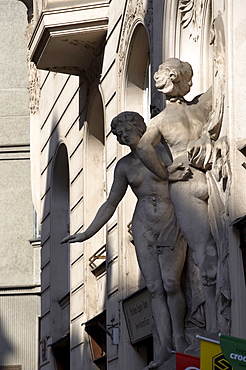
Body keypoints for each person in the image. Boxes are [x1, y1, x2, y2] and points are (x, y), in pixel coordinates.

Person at [61, 111, 190, 369]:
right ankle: (164, 346)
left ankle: (179, 338)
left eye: (126, 131)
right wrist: (87, 233)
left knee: (171, 283)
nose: (123, 136)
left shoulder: (162, 149)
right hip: (143, 224)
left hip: (170, 218)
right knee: (154, 288)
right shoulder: (124, 166)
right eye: (119, 135)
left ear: (139, 128)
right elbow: (111, 204)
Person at [136, 58, 219, 333]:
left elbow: (143, 147)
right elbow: (222, 82)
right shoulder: (200, 106)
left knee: (205, 252)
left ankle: (215, 324)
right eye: (188, 77)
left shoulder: (159, 121)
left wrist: (165, 173)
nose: (191, 82)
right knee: (218, 248)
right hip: (208, 174)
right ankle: (217, 323)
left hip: (185, 183)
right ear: (179, 78)